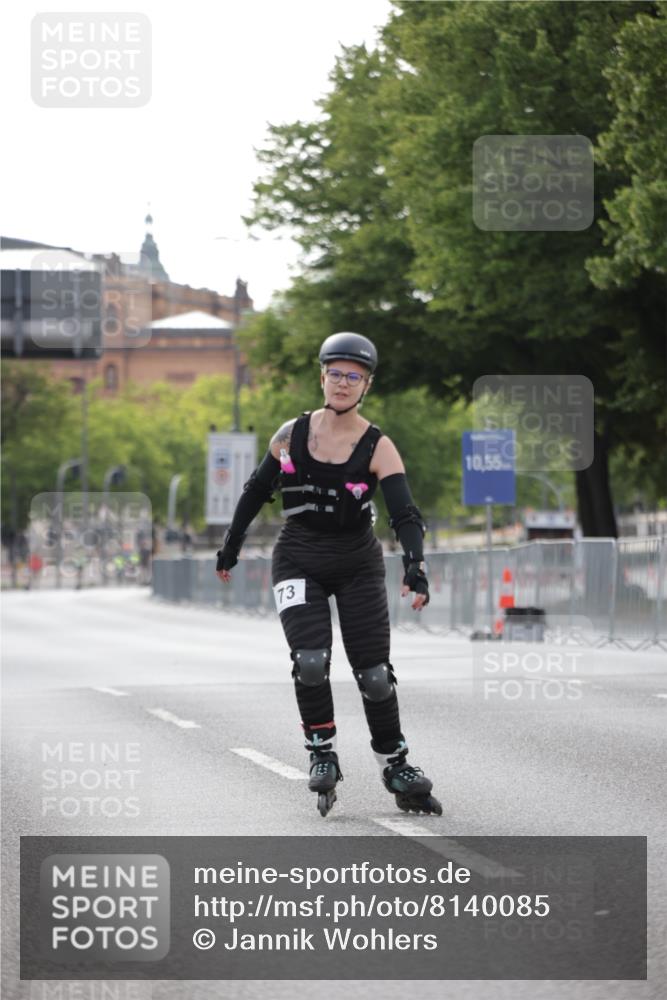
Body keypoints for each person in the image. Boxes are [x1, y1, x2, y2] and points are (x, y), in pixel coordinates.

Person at [216, 332, 441, 818]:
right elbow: (256, 492)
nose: (342, 383)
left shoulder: (379, 446)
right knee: (312, 660)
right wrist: (229, 548)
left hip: (357, 563)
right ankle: (322, 752)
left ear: (367, 385)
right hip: (298, 557)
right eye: (335, 373)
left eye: (353, 376)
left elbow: (405, 514)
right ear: (322, 377)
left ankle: (395, 764)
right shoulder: (290, 436)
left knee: (375, 675)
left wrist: (415, 566)